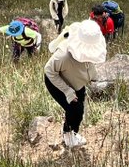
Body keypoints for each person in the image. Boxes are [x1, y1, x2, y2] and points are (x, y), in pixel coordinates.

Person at [44, 19, 107, 149]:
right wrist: (67, 91)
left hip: (76, 82)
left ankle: (73, 133)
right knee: (74, 109)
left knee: (79, 109)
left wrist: (92, 77)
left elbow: (87, 64)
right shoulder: (63, 55)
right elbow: (49, 71)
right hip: (57, 82)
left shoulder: (87, 37)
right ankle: (68, 136)